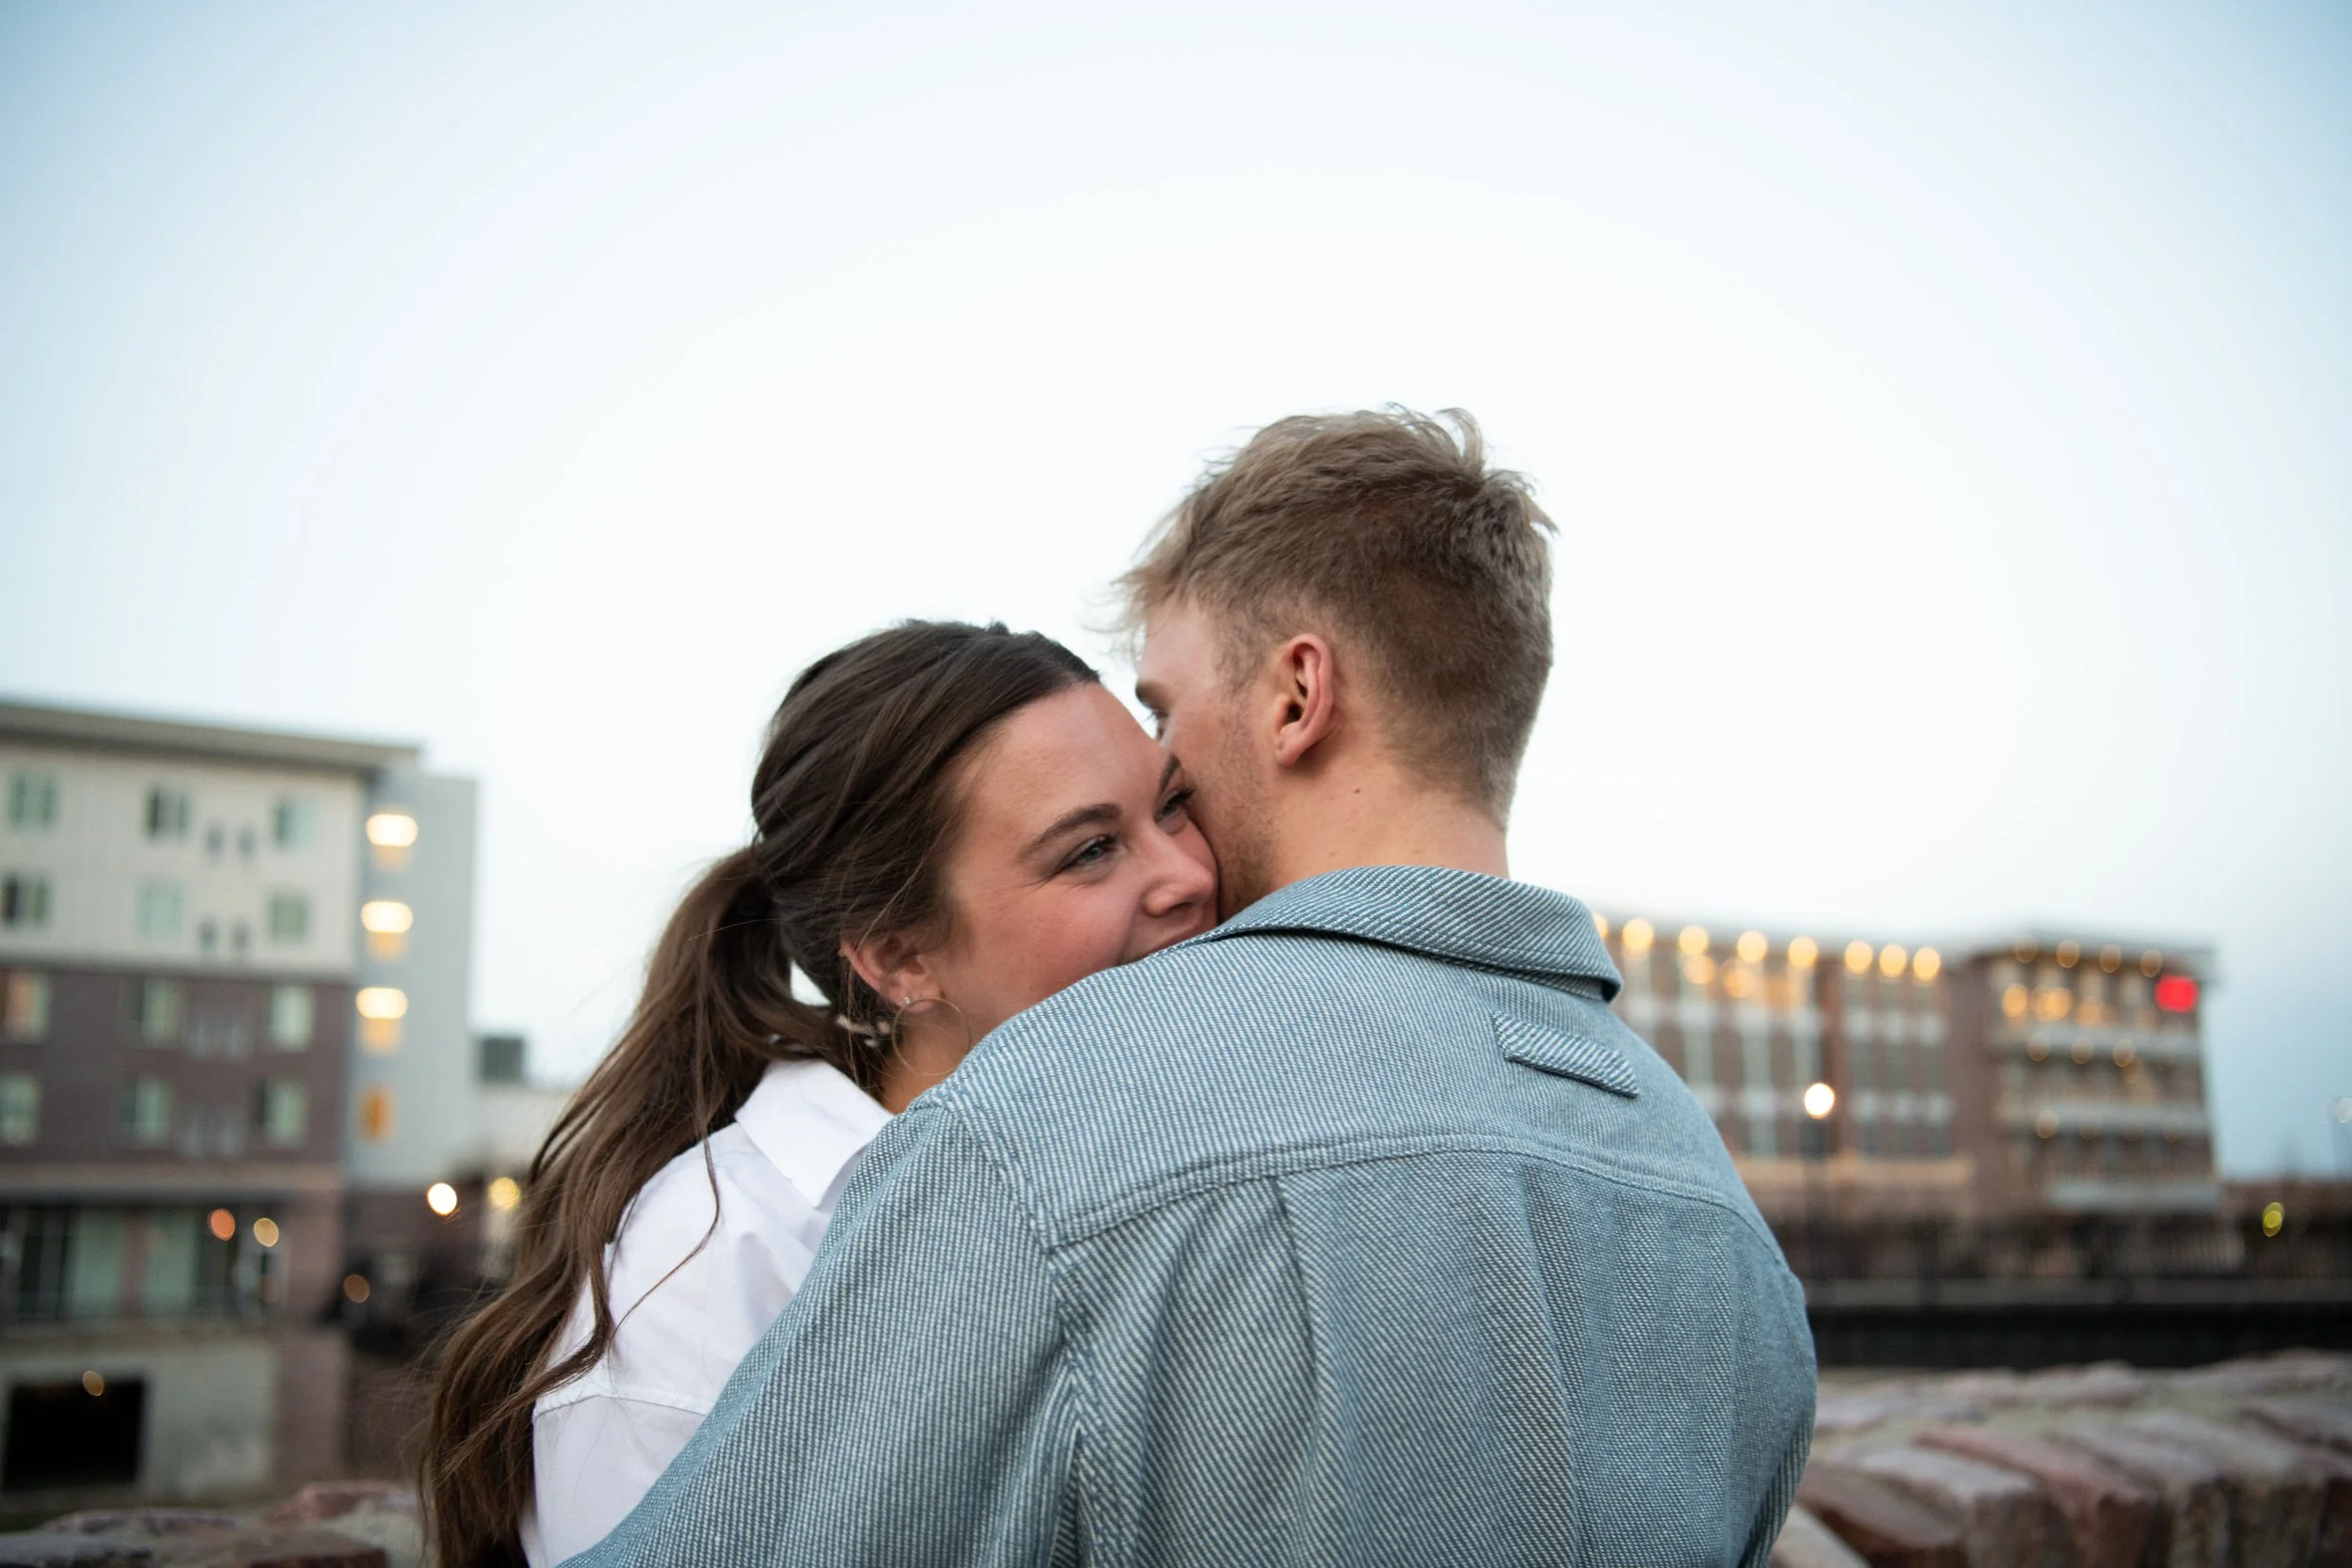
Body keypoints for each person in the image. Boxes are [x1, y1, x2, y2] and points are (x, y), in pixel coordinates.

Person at [569, 408, 1817, 1567]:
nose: (1174, 808)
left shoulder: (1052, 1115)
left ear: (1295, 694)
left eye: (1165, 717)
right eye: (1093, 839)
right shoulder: (1712, 1194)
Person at [421, 622, 1218, 1568]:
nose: (1191, 874)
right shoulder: (713, 1273)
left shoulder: (1148, 1158)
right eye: (1088, 850)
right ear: (899, 957)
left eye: (1171, 805)